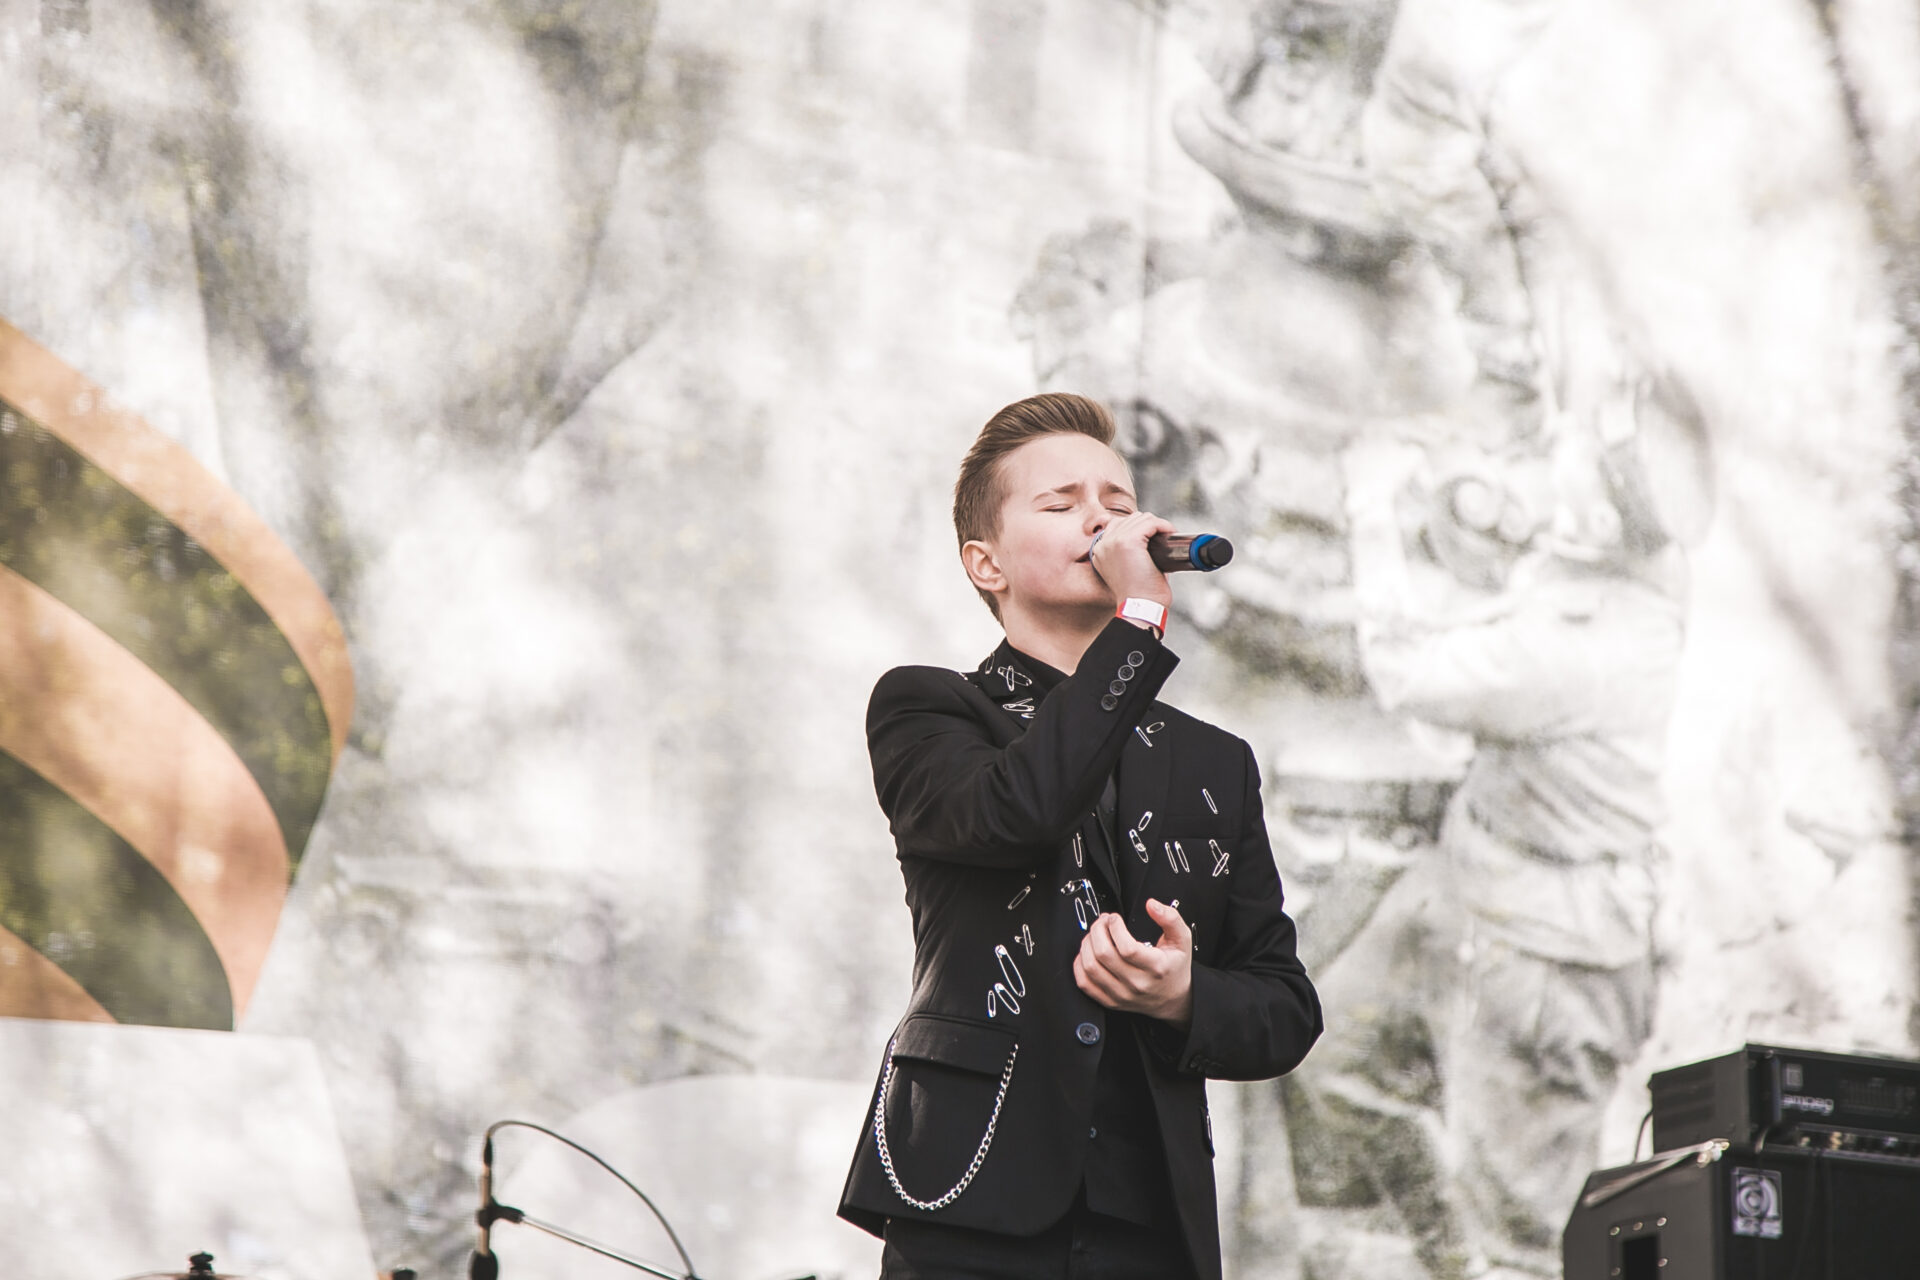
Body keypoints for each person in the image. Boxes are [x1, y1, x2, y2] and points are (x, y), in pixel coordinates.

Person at [837, 393, 1324, 1280]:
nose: (1100, 520)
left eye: (1117, 502)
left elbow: (1284, 1008)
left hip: (1149, 1219)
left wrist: (1183, 994)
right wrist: (1137, 622)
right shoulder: (927, 708)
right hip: (971, 1198)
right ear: (985, 563)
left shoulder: (1216, 763)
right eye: (1061, 504)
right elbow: (1018, 810)